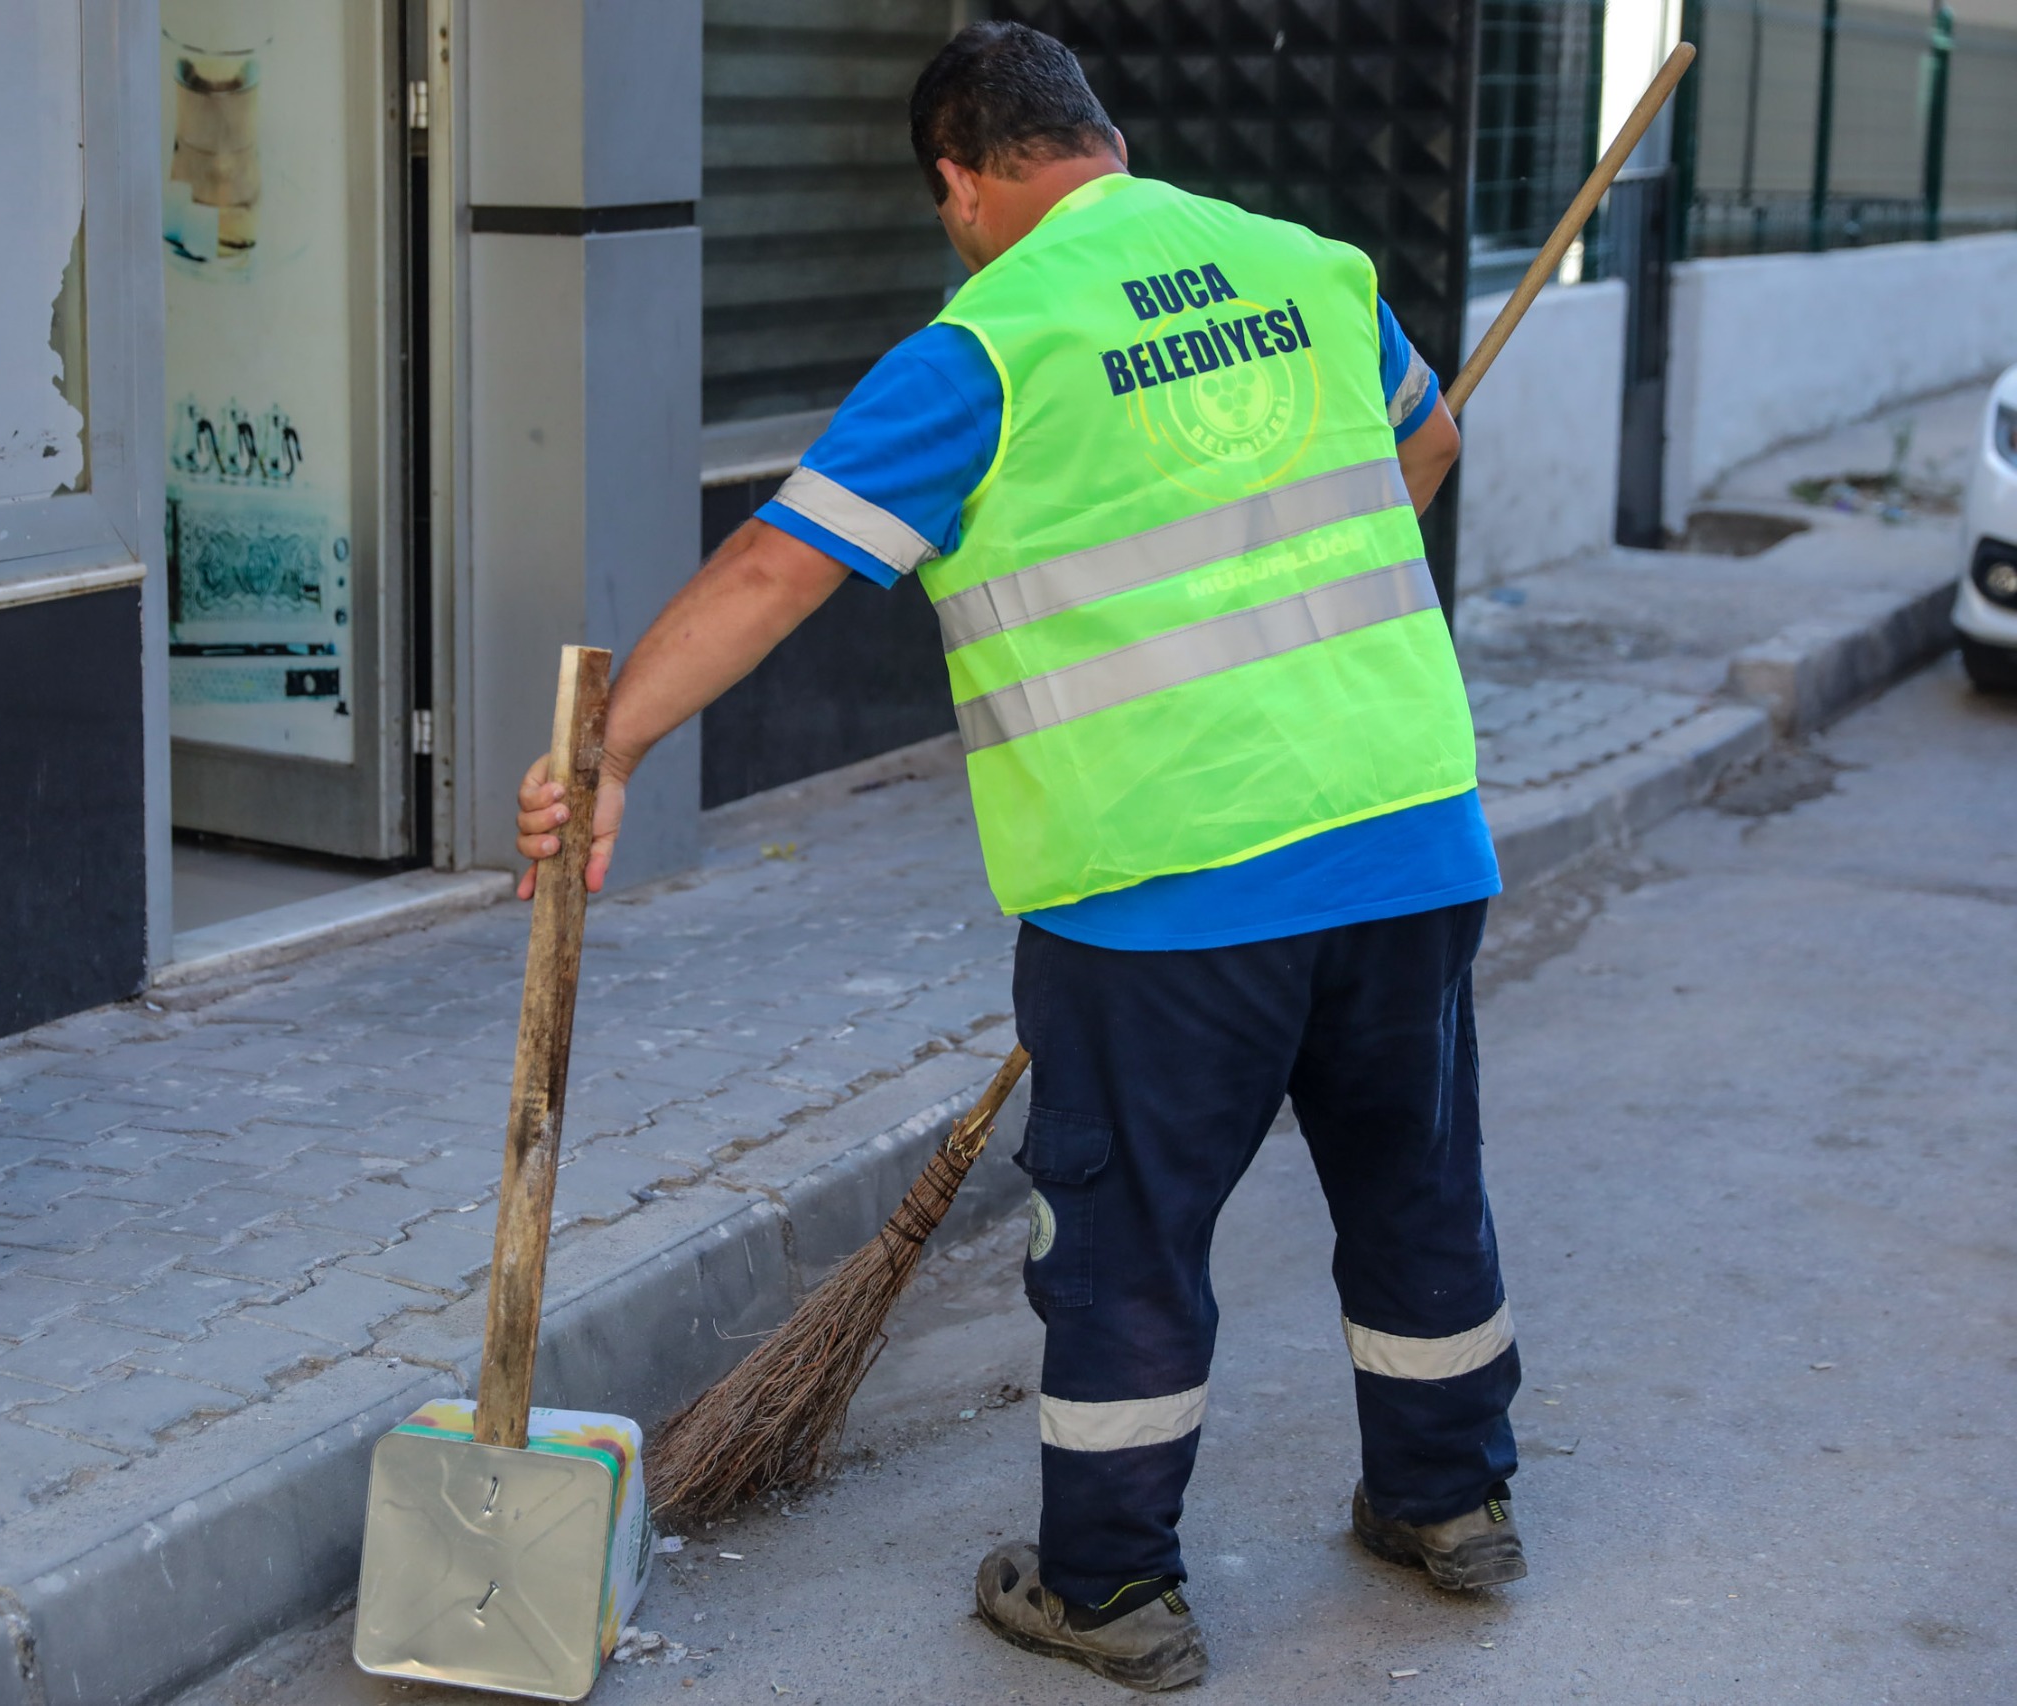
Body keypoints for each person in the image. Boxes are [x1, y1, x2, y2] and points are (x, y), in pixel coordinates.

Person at [514, 21, 1522, 1693]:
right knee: (1417, 1179)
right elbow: (1424, 452)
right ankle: (1455, 1503)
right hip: (1411, 835)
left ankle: (1111, 1589)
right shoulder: (1310, 267)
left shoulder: (988, 343)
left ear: (961, 182)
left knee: (1126, 1242)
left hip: (1166, 885)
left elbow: (780, 565)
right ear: (1105, 141)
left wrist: (605, 746)